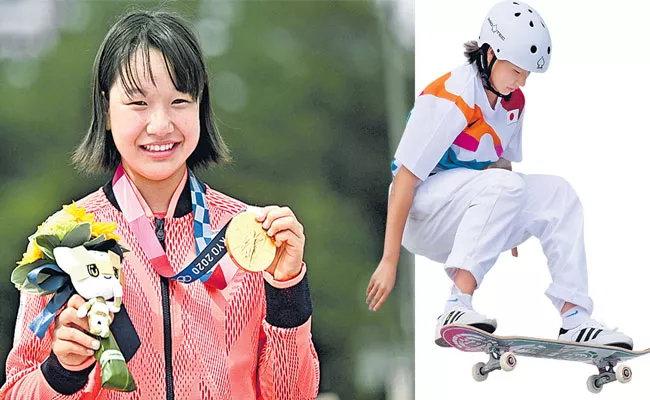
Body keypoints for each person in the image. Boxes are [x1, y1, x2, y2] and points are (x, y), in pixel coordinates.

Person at [1, 10, 319, 399]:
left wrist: (287, 288)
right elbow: (17, 390)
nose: (160, 124)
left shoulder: (248, 236)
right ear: (105, 110)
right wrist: (61, 372)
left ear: (201, 105)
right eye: (137, 103)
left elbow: (293, 394)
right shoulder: (65, 238)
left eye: (179, 101)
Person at [365, 1, 634, 350]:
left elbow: (500, 168)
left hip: (468, 208)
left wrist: (508, 215)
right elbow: (404, 180)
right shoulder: (452, 95)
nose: (522, 82)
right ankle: (456, 306)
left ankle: (575, 319)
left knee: (558, 194)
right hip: (420, 214)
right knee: (504, 186)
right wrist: (389, 261)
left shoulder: (514, 103)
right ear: (490, 54)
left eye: (527, 75)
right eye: (517, 70)